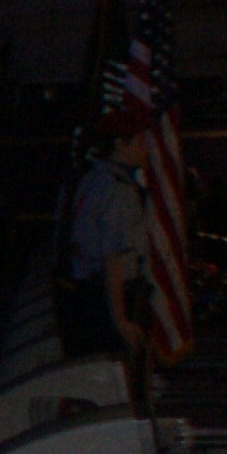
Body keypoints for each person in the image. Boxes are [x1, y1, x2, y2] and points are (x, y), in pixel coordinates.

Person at [61, 109, 150, 358]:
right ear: (121, 144)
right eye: (141, 142)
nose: (147, 150)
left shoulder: (91, 180)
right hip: (111, 300)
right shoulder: (118, 189)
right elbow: (112, 259)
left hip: (89, 294)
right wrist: (121, 321)